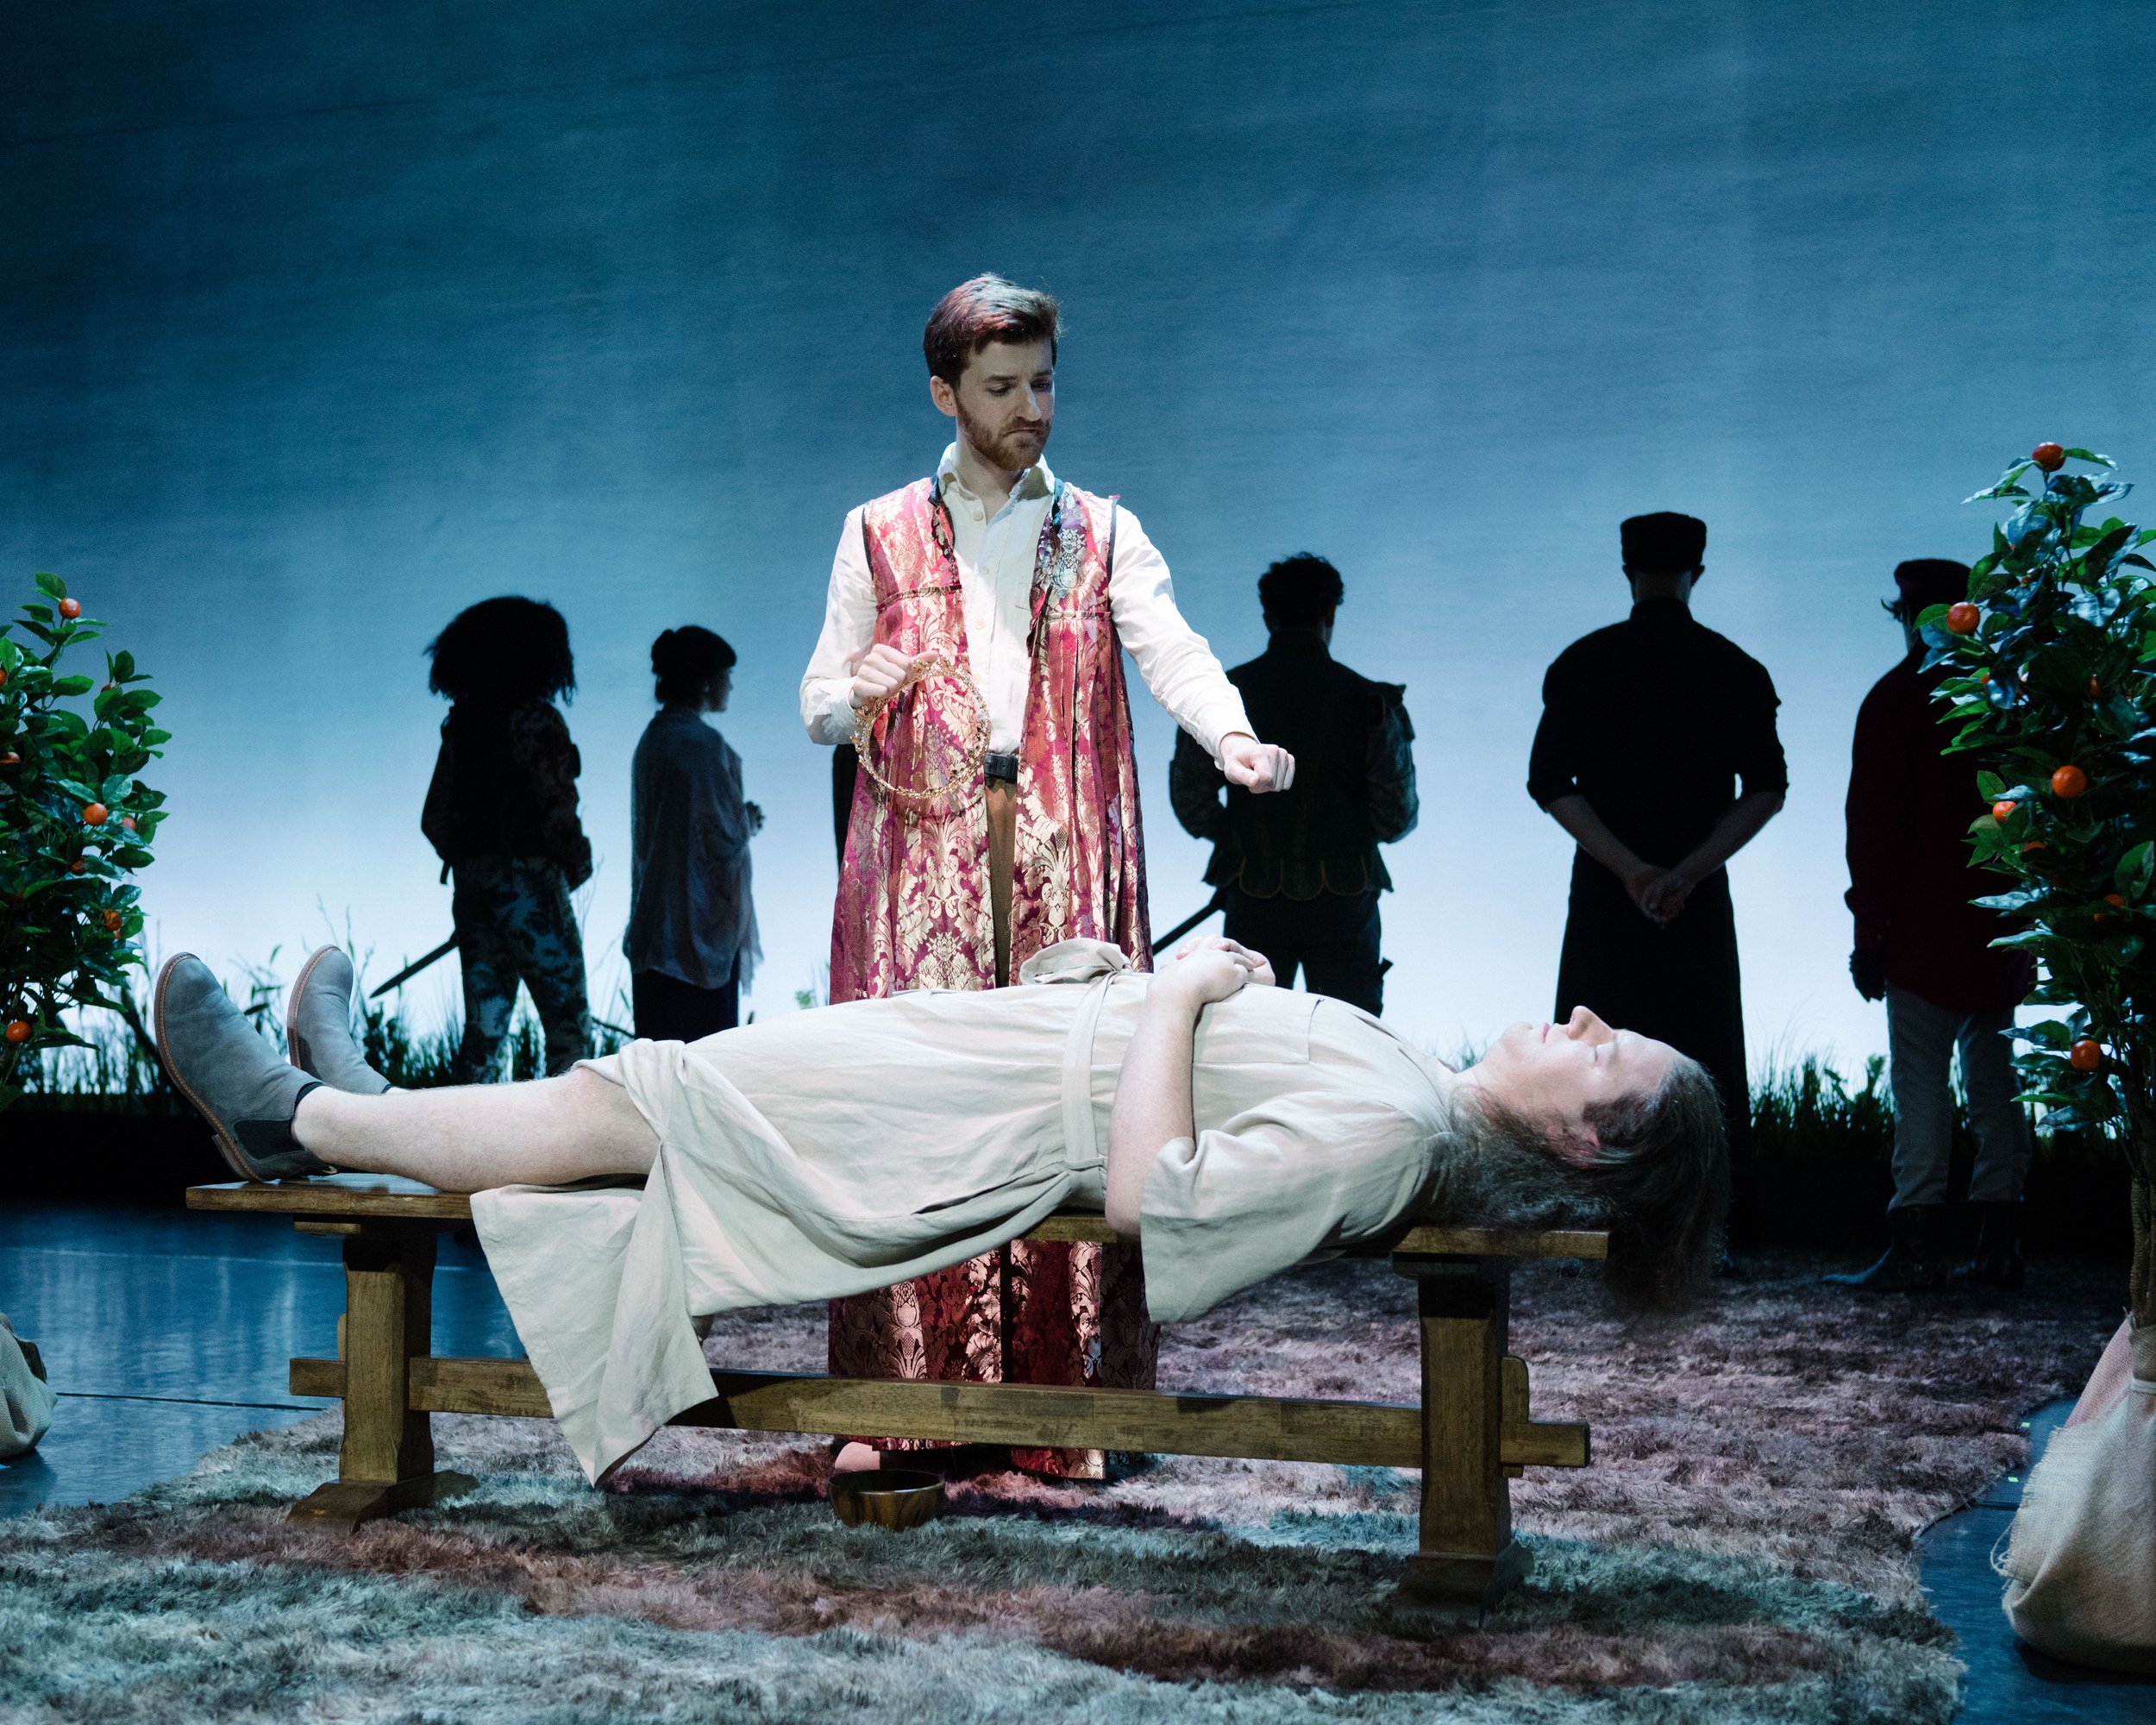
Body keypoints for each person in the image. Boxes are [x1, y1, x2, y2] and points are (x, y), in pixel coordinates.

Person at [153, 936, 1727, 1484]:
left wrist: (1174, 1000)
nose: (1585, 1020)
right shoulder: (1419, 1086)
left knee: (645, 1104)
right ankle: (366, 1113)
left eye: (1608, 1058)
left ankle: (299, 1117)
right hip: (981, 1068)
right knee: (643, 1096)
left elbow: (1154, 1207)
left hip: (964, 1121)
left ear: (1585, 1149)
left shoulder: (1393, 1134)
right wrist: (1140, 992)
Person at [797, 274, 1296, 1477]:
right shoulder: (877, 530)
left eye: (1043, 384)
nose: (1032, 409)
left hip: (1063, 843)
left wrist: (1230, 735)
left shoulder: (1102, 529)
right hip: (923, 857)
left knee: (1070, 1100)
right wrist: (857, 691)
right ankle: (901, 1402)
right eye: (1003, 388)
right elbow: (816, 702)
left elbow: (1170, 646)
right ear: (946, 394)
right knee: (921, 1106)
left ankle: (1064, 1407)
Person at [1526, 512, 1786, 1251]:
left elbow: (1550, 783)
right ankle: (1710, 1231)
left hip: (1607, 888)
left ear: (1627, 570)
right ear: (1696, 572)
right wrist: (1686, 872)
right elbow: (1766, 790)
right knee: (1703, 1055)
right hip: (1695, 892)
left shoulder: (1583, 662)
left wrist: (1629, 868)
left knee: (1594, 1051)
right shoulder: (1734, 667)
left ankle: (1594, 1221)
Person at [1829, 559, 2034, 1292]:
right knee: (1996, 1080)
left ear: (1906, 617)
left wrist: (1869, 939)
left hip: (1921, 930)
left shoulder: (1892, 701)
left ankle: (1917, 1242)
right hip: (2002, 924)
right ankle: (2000, 1240)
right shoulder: (2008, 697)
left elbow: (1874, 836)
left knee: (1921, 1085)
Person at [1169, 554, 1417, 1015]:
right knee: (1350, 1034)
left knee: (1252, 1032)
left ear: (1269, 616)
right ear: (1330, 613)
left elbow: (1191, 800)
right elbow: (1397, 815)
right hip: (1345, 897)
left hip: (1252, 893)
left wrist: (1238, 838)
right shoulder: (1371, 701)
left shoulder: (1223, 698)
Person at [420, 597, 593, 1080]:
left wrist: (475, 868)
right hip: (532, 886)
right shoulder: (539, 722)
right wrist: (571, 866)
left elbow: (434, 819)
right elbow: (559, 816)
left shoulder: (462, 728)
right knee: (569, 1030)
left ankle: (467, 1128)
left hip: (473, 889)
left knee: (483, 1040)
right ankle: (573, 1127)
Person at [624, 627, 762, 1042]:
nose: (730, 685)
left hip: (654, 931)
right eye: (726, 675)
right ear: (705, 681)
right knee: (703, 1055)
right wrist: (747, 819)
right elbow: (718, 837)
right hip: (694, 935)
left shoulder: (653, 740)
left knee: (658, 1060)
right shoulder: (700, 745)